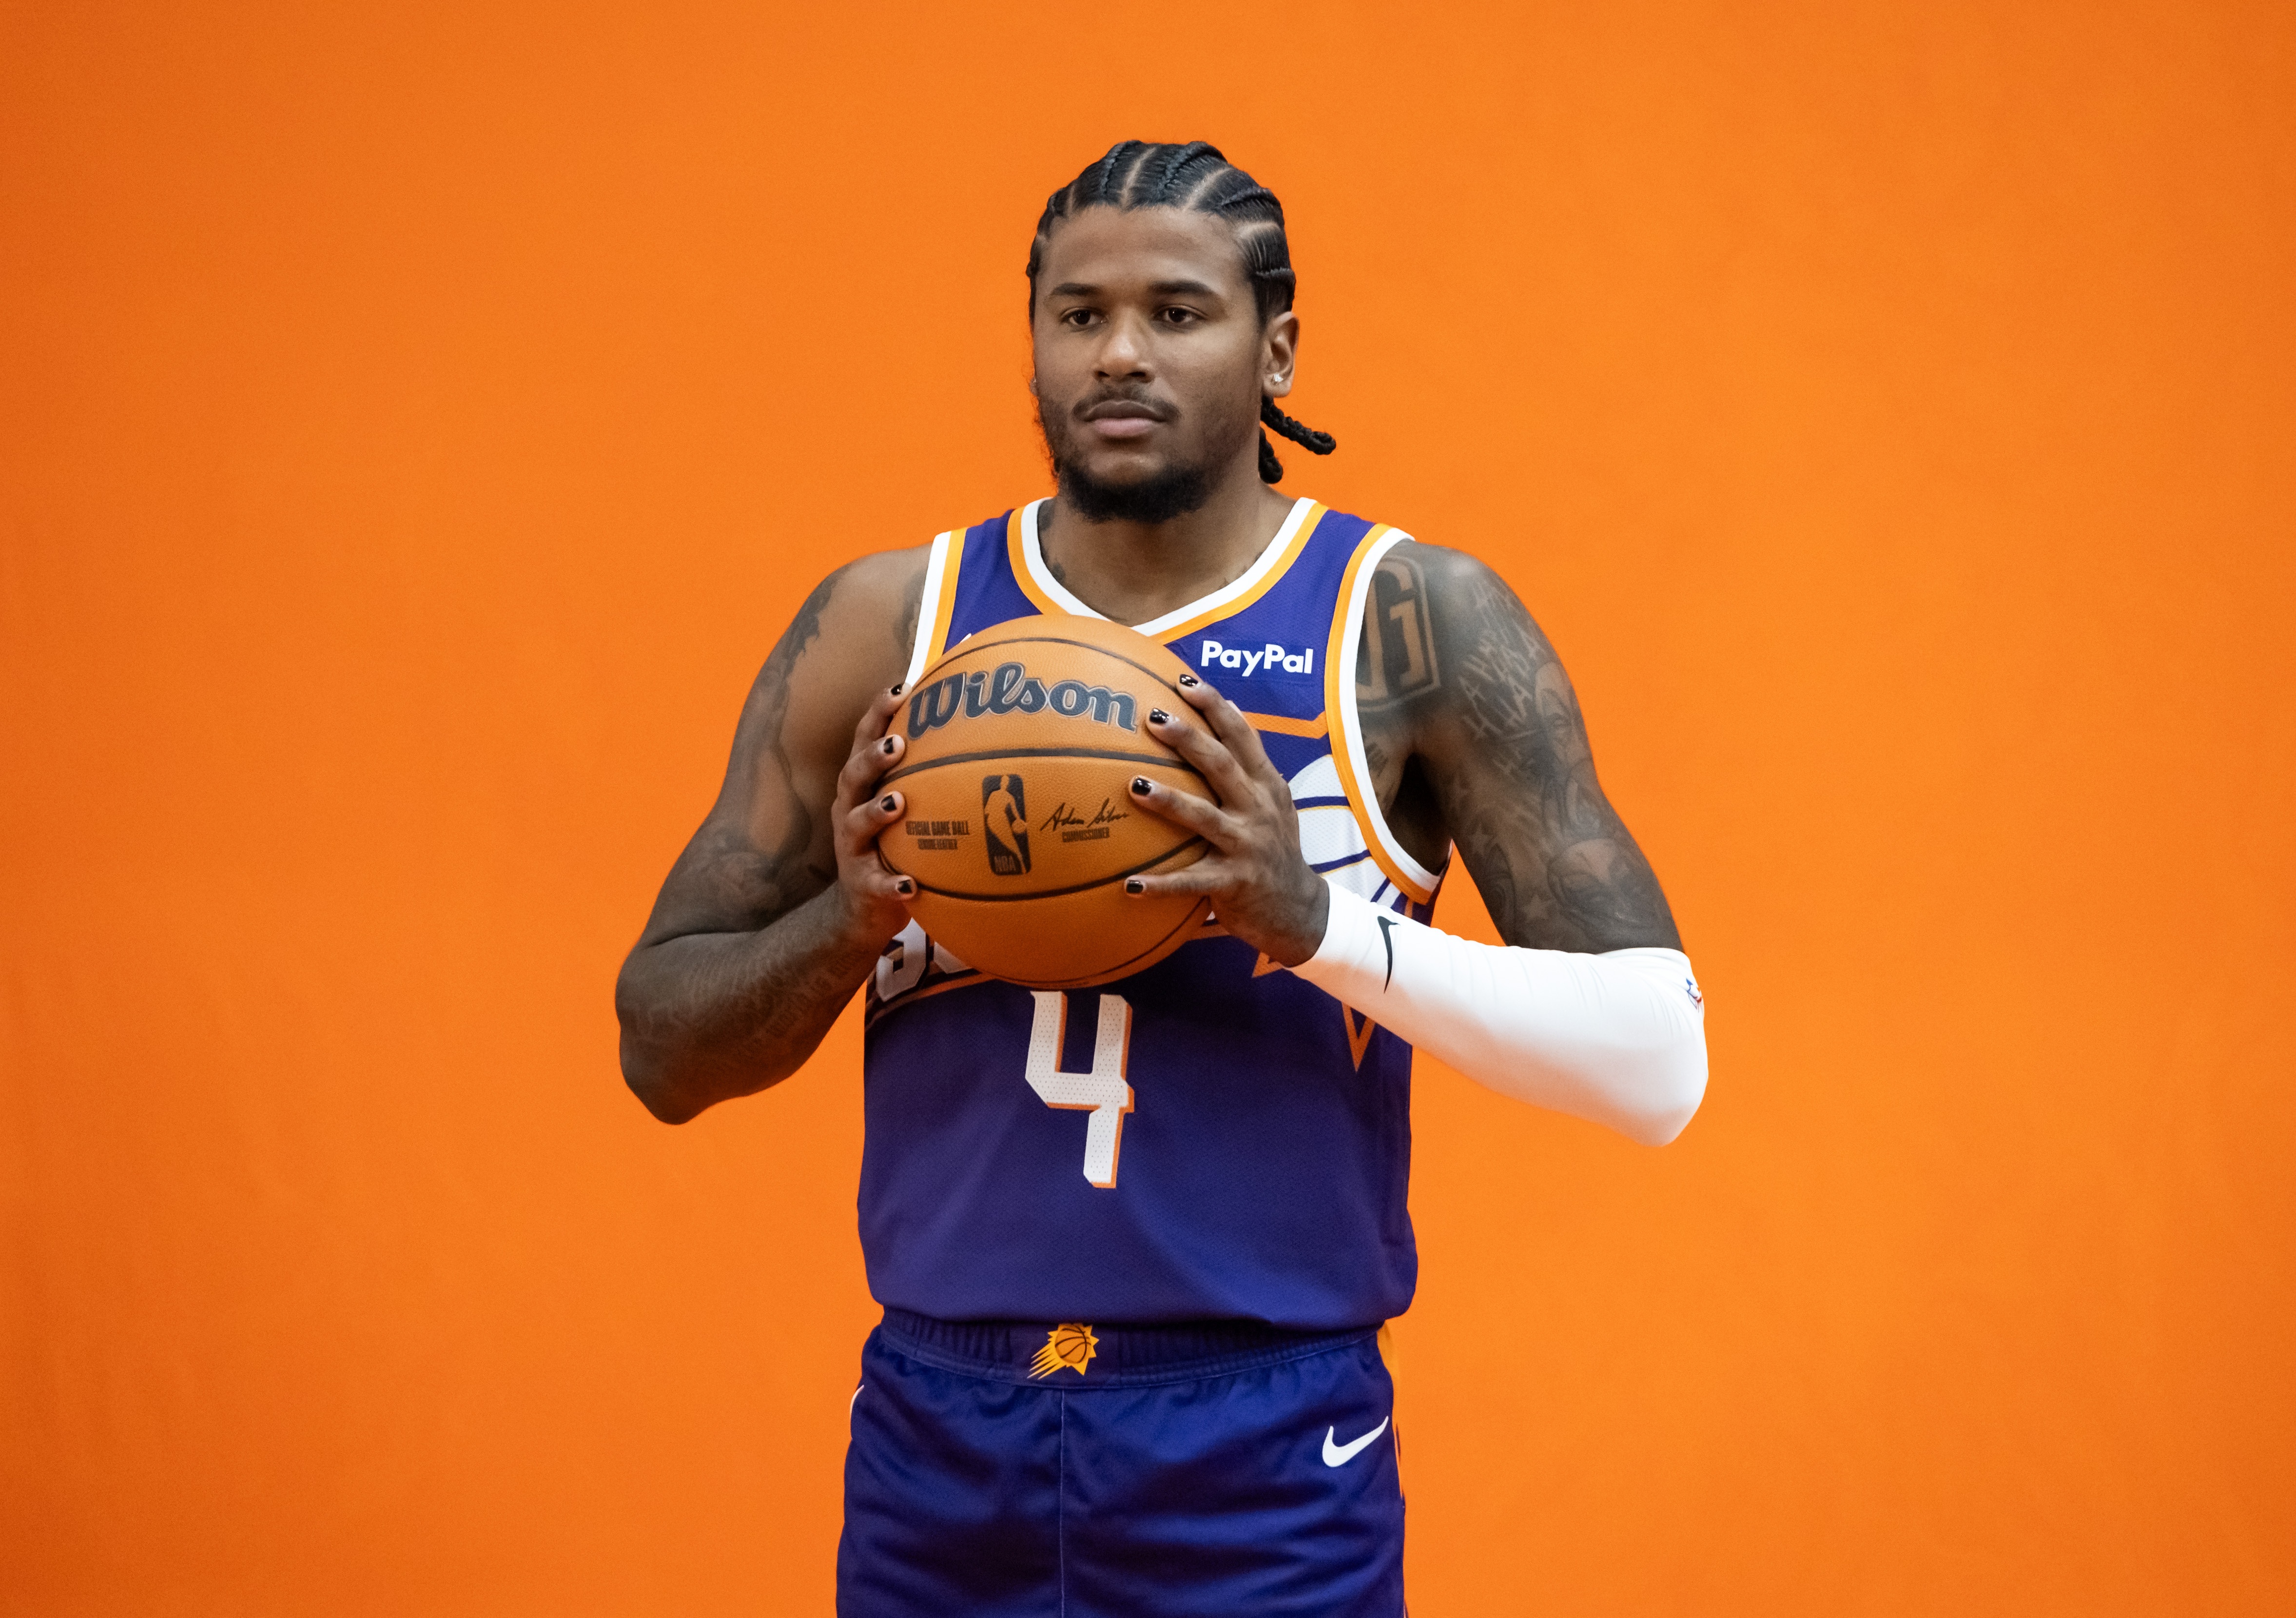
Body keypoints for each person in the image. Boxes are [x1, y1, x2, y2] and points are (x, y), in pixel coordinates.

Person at [615, 140, 1708, 1618]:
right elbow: (662, 1049)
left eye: (1177, 313)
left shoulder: (1409, 624)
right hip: (943, 1432)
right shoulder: (891, 626)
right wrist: (849, 921)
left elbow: (1657, 1066)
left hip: (1264, 1440)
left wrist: (1313, 924)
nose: (1119, 354)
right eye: (1079, 316)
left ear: (1278, 349)